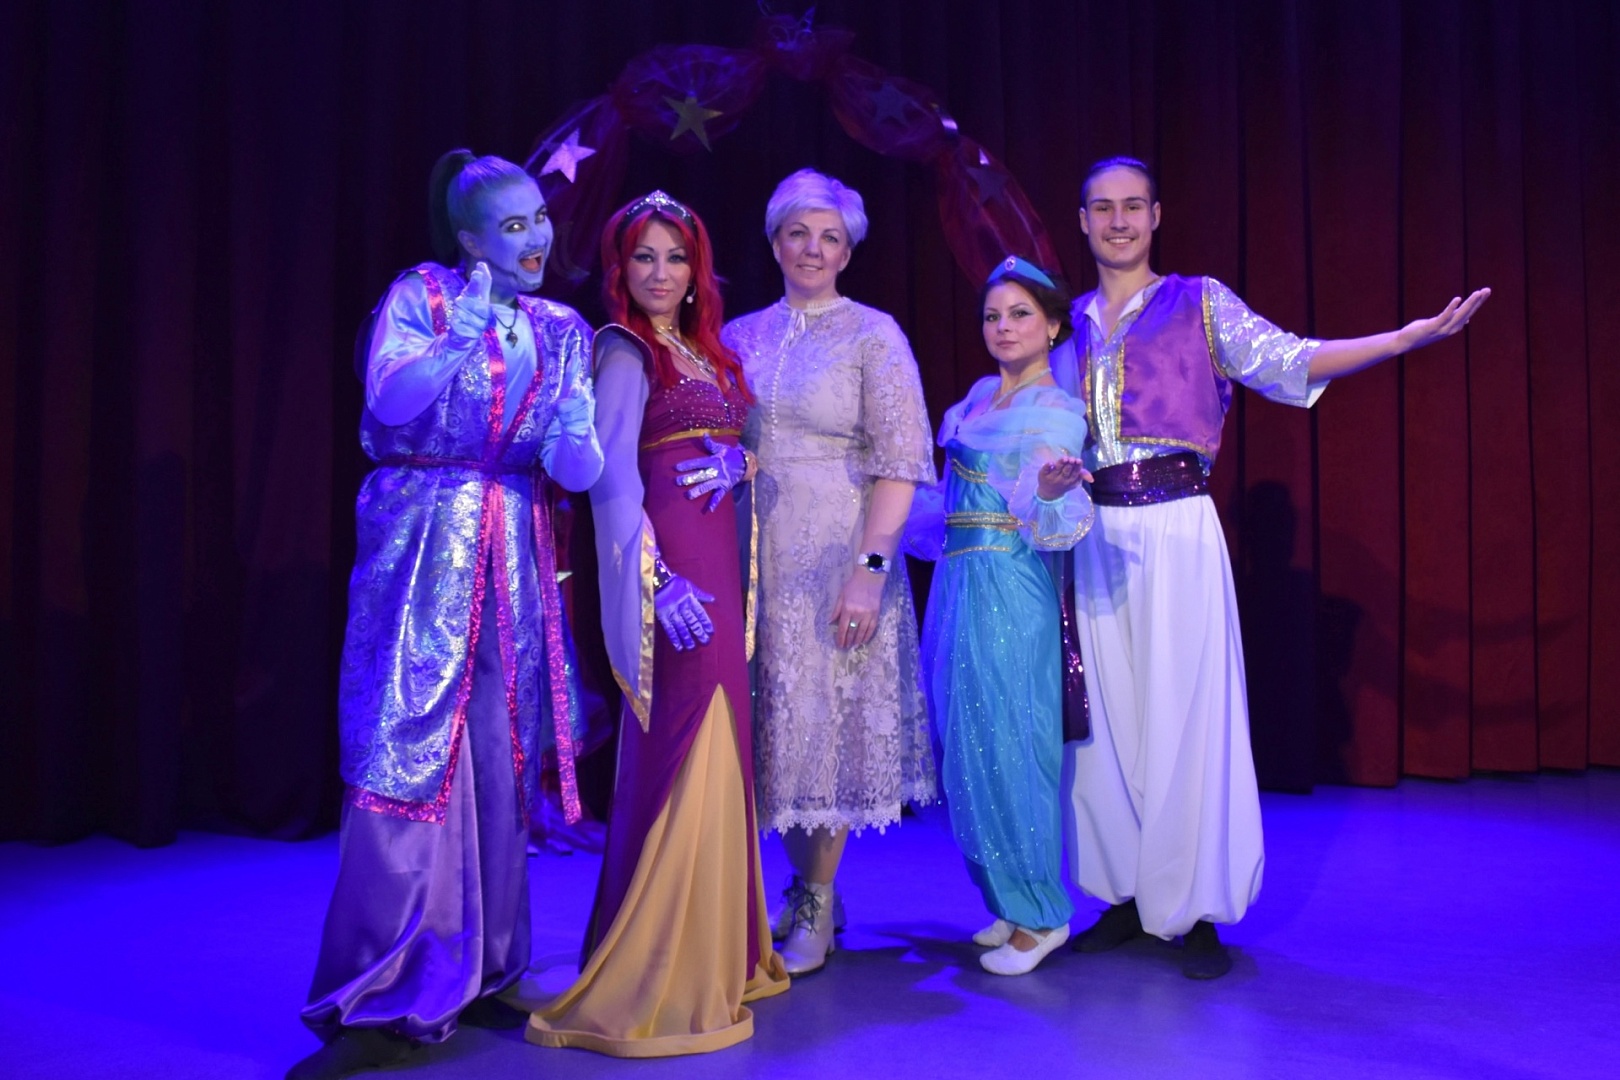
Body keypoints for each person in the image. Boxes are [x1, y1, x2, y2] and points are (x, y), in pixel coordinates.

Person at [1054, 156, 1490, 979]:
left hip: (1177, 528)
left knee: (1188, 718)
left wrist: (1402, 339)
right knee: (1106, 723)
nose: (1118, 221)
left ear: (1156, 216)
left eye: (1133, 206)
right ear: (1082, 221)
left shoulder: (1199, 303)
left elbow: (1292, 360)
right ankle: (1126, 896)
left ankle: (1194, 908)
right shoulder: (1063, 324)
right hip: (1091, 533)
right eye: (1102, 208)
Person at [286, 150, 603, 1080]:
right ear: (468, 238)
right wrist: (458, 333)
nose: (537, 237)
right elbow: (390, 400)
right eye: (513, 225)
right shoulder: (420, 297)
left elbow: (572, 469)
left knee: (505, 748)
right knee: (410, 743)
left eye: (540, 217)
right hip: (424, 535)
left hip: (516, 543)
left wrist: (578, 435)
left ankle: (490, 962)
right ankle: (382, 982)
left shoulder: (561, 326)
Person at [526, 191, 790, 1056]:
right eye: (644, 256)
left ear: (697, 267)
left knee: (722, 738)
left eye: (676, 256)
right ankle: (659, 968)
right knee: (682, 739)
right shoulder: (626, 348)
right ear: (620, 267)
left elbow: (729, 443)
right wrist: (656, 582)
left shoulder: (705, 351)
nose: (661, 272)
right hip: (674, 574)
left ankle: (719, 949)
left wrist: (741, 460)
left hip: (719, 567)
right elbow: (607, 480)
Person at [722, 168, 937, 975]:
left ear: (848, 252)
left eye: (830, 238)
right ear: (775, 241)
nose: (813, 249)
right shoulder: (738, 334)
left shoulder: (874, 335)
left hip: (838, 556)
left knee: (828, 731)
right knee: (778, 731)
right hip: (757, 559)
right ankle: (806, 886)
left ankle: (815, 897)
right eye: (798, 234)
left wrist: (869, 573)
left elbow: (901, 463)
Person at [908, 256, 1094, 976]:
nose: (1004, 327)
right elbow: (941, 506)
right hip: (958, 583)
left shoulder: (1056, 411)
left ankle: (1043, 913)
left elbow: (1056, 522)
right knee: (964, 743)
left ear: (1052, 326)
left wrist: (1049, 492)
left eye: (1020, 314)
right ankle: (1007, 900)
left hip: (1010, 582)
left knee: (1013, 743)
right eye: (993, 315)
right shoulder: (978, 400)